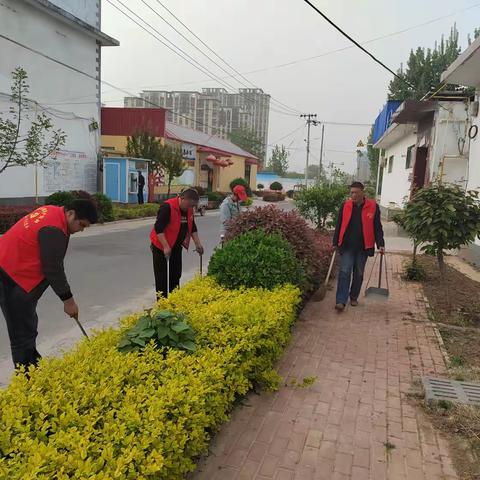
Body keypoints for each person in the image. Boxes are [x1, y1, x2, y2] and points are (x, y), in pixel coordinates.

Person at [0, 199, 98, 369]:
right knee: (22, 334)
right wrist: (69, 302)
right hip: (13, 277)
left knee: (27, 328)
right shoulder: (54, 229)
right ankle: (29, 381)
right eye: (81, 224)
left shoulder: (52, 211)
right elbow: (53, 269)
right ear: (70, 213)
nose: (81, 229)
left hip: (8, 265)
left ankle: (33, 369)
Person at [333, 181, 385, 311]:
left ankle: (354, 296)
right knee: (344, 272)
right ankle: (341, 301)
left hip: (363, 247)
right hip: (347, 246)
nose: (353, 195)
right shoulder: (345, 205)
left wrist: (381, 244)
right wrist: (335, 242)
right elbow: (339, 225)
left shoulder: (373, 207)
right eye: (351, 192)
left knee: (359, 273)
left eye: (356, 192)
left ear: (362, 192)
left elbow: (377, 227)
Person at [150, 188, 204, 299]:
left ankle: (175, 301)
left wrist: (198, 244)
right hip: (160, 246)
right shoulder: (167, 207)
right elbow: (158, 228)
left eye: (193, 206)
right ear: (183, 198)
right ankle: (162, 304)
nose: (190, 208)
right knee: (162, 277)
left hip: (176, 246)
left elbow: (192, 227)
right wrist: (165, 246)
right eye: (189, 205)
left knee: (175, 274)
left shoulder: (189, 210)